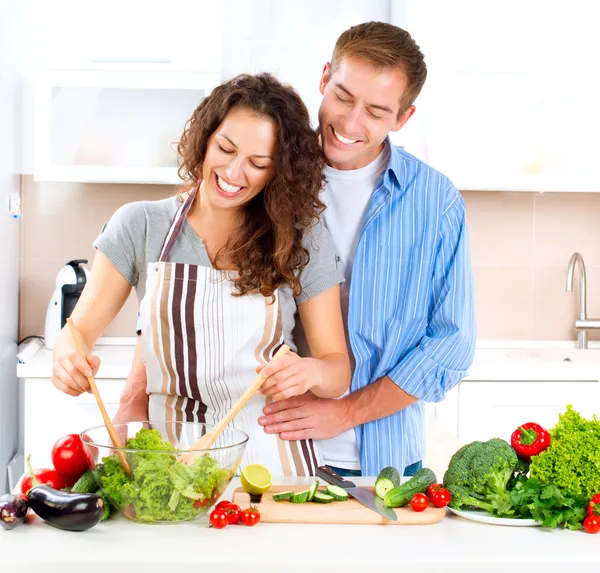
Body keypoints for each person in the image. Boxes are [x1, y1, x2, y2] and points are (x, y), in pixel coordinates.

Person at [51, 73, 351, 477]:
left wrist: (311, 372)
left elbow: (336, 371)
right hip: (166, 459)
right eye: (225, 148)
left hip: (268, 460)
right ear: (205, 138)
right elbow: (77, 331)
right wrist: (67, 356)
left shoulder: (301, 237)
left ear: (278, 172)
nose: (233, 172)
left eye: (258, 164)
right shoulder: (140, 225)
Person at [257, 21, 476, 478]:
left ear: (403, 118)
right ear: (323, 79)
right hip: (272, 452)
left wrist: (345, 412)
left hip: (386, 463)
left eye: (376, 112)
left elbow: (451, 344)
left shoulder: (434, 202)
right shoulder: (263, 175)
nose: (350, 124)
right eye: (342, 96)